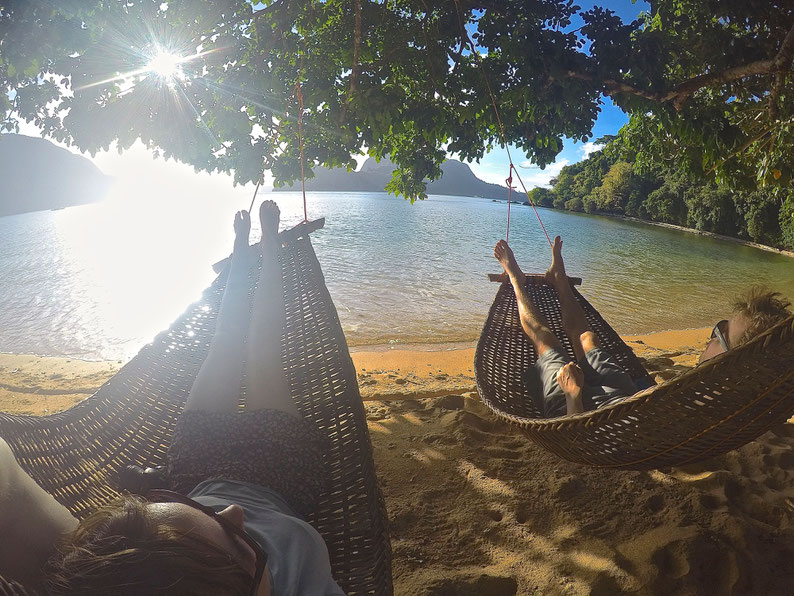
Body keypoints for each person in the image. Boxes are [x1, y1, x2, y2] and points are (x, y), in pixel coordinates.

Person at [43, 201, 345, 595]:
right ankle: (270, 244)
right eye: (243, 546)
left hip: (195, 473)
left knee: (224, 343)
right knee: (262, 347)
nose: (234, 513)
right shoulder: (300, 572)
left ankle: (241, 250)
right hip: (279, 474)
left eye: (214, 518)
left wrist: (184, 501)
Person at [494, 236, 792, 418]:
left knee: (545, 338)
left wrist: (573, 393)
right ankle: (559, 279)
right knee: (586, 337)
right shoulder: (717, 392)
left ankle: (516, 279)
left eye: (722, 335)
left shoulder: (715, 395)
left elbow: (590, 435)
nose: (710, 337)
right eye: (719, 327)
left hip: (585, 412)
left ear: (732, 360)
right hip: (627, 394)